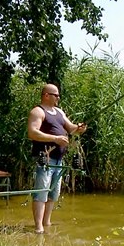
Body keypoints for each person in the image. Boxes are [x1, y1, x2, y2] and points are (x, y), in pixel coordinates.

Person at [27, 83, 87, 234]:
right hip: (45, 160)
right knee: (42, 192)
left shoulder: (59, 112)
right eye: (56, 95)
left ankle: (47, 223)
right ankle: (38, 227)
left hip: (59, 161)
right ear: (46, 95)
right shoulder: (37, 112)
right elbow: (32, 133)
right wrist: (55, 139)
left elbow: (71, 129)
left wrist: (79, 128)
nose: (58, 98)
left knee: (53, 193)